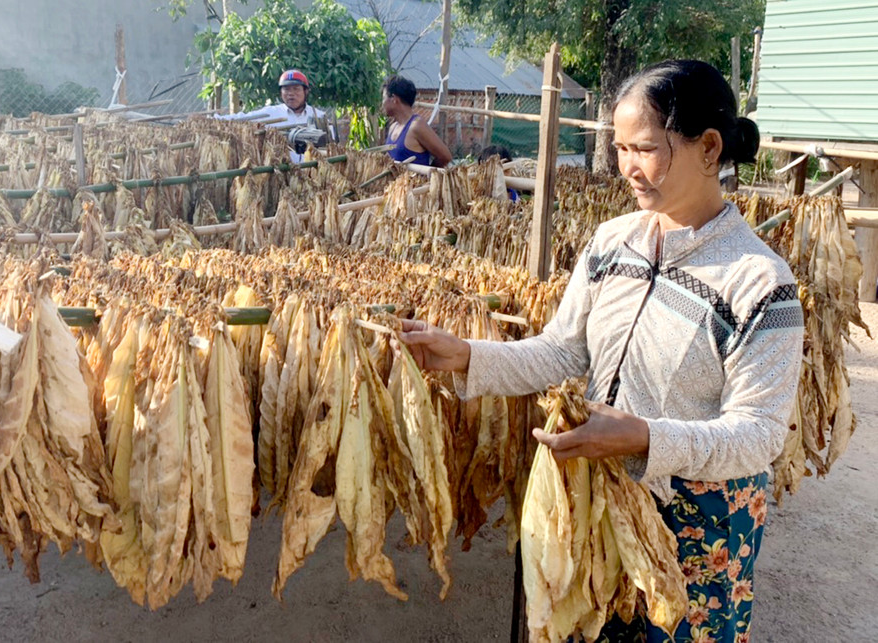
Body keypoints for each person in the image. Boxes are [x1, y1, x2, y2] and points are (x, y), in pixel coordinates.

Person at [400, 60, 804, 642]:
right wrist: (465, 353)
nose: (629, 170)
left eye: (645, 149)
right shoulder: (613, 241)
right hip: (596, 501)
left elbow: (760, 434)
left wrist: (643, 436)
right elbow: (563, 352)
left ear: (709, 148)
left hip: (698, 530)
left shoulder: (759, 282)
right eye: (619, 149)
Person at [217, 69, 327, 162]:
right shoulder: (271, 113)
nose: (291, 93)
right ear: (280, 92)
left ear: (306, 91)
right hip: (283, 173)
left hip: (315, 173)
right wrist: (215, 119)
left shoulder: (319, 116)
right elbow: (241, 118)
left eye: (296, 89)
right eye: (286, 89)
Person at [382, 76, 452, 168]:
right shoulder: (393, 128)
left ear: (394, 99)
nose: (382, 103)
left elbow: (445, 156)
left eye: (384, 98)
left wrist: (427, 173)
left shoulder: (416, 126)